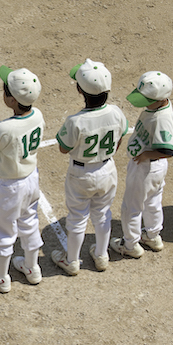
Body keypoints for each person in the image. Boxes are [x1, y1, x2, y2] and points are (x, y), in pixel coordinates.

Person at [51, 59, 128, 275]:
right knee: (103, 213)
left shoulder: (75, 121)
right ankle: (102, 256)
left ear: (79, 90)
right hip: (107, 169)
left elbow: (63, 148)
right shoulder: (116, 112)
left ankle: (72, 261)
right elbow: (120, 137)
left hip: (81, 173)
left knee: (77, 217)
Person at [0, 66, 45, 293]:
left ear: (12, 100)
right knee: (29, 221)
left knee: (3, 230)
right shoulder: (38, 115)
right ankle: (32, 267)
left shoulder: (4, 127)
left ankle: (0, 277)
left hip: (8, 185)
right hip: (31, 179)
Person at [110, 71, 173, 257]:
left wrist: (147, 154)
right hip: (154, 169)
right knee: (153, 201)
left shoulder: (161, 118)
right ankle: (152, 236)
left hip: (146, 168)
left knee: (131, 206)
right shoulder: (158, 107)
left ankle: (130, 245)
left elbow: (168, 150)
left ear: (160, 98)